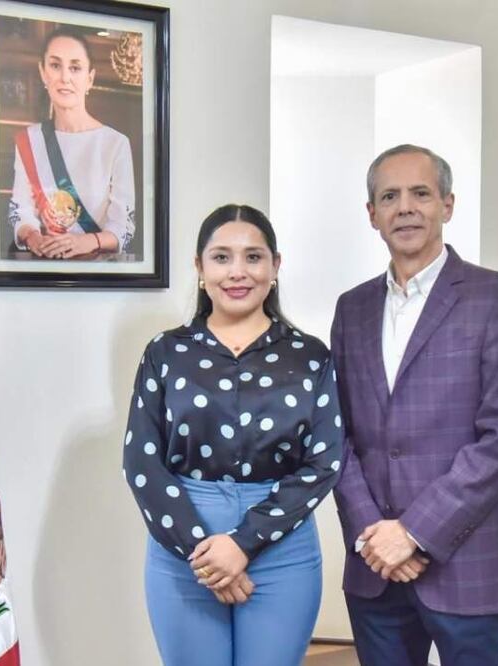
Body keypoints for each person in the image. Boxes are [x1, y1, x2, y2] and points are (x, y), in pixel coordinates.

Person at [331, 145, 498, 666]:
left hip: (468, 564)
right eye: (389, 197)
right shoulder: (351, 309)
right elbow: (337, 434)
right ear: (372, 214)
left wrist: (414, 533)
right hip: (375, 567)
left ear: (447, 204)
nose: (405, 207)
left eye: (420, 193)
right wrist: (374, 535)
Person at [123, 204, 343, 666]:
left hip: (282, 550)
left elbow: (324, 462)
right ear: (200, 267)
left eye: (253, 257)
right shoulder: (165, 353)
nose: (237, 272)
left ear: (275, 267)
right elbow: (141, 461)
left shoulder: (310, 356)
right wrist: (205, 554)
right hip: (184, 546)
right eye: (221, 257)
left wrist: (243, 543)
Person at [7, 27, 134, 260]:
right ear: (43, 72)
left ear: (90, 78)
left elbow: (123, 227)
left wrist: (85, 242)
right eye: (56, 65)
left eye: (75, 68)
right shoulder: (29, 140)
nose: (65, 77)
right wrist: (33, 238)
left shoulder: (115, 144)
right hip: (42, 268)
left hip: (98, 271)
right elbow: (20, 211)